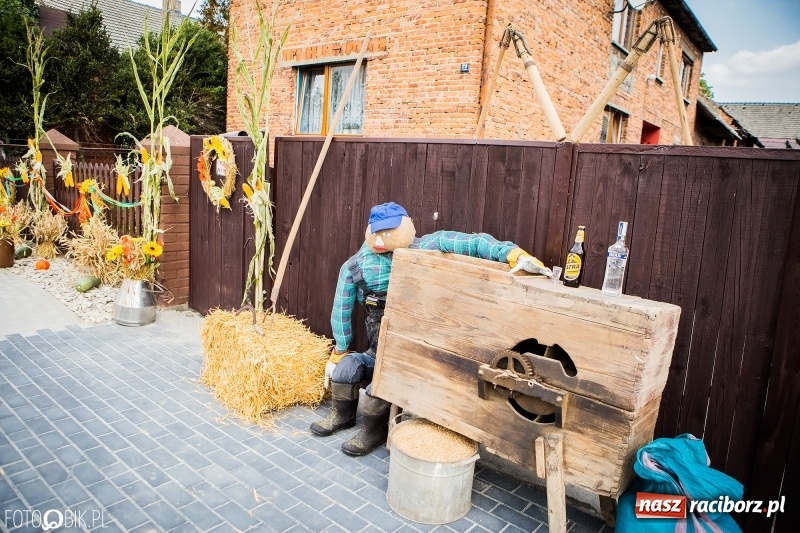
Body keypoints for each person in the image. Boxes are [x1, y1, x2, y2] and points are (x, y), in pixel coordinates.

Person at [310, 202, 551, 456]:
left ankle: (374, 430)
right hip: (378, 350)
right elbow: (341, 311)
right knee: (347, 367)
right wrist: (340, 350)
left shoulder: (426, 247)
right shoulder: (355, 267)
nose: (381, 240)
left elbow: (470, 242)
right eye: (377, 232)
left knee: (378, 385)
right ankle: (342, 416)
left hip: (412, 353)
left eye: (389, 232)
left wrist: (512, 253)